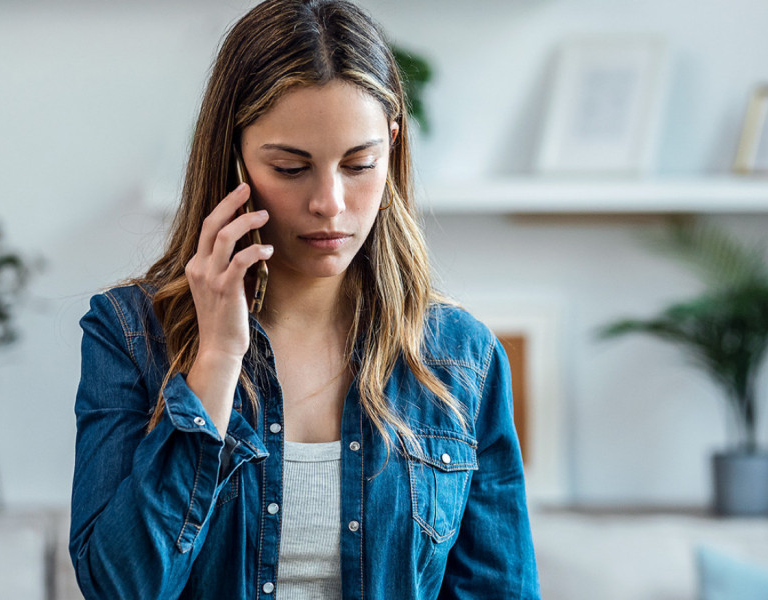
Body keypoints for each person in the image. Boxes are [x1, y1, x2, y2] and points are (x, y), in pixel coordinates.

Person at [68, 0, 540, 598]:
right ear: (232, 155)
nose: (330, 203)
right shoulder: (130, 336)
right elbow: (118, 587)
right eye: (291, 168)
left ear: (392, 148)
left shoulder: (462, 357)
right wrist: (215, 361)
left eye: (359, 164)